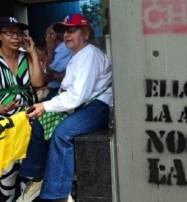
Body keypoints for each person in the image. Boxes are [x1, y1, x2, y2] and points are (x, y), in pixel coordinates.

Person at [18, 14, 112, 202]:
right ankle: (37, 177)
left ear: (85, 33)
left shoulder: (90, 54)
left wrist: (46, 105)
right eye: (64, 31)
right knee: (40, 124)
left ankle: (56, 195)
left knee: (62, 133)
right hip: (81, 104)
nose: (66, 35)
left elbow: (77, 97)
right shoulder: (77, 55)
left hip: (97, 106)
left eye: (72, 30)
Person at [0, 16, 45, 201]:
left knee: (25, 170)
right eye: (10, 33)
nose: (16, 37)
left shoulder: (26, 57)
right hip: (4, 122)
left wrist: (33, 52)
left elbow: (38, 82)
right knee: (6, 170)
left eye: (19, 33)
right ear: (0, 36)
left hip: (27, 119)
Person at [44, 24, 73, 99]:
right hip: (53, 88)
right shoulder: (58, 49)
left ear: (53, 35)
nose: (46, 38)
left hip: (58, 90)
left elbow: (49, 71)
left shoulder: (64, 48)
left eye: (47, 34)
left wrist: (49, 49)